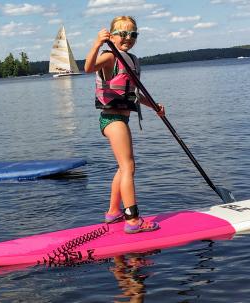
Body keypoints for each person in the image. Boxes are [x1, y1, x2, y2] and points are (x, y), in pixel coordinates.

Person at [84, 16, 165, 234]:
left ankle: (113, 212)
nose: (128, 38)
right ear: (112, 36)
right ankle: (133, 221)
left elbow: (135, 93)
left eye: (133, 34)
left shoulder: (131, 60)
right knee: (129, 167)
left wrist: (155, 106)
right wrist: (96, 44)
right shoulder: (109, 56)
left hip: (122, 119)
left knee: (124, 167)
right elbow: (88, 67)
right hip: (111, 119)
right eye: (123, 33)